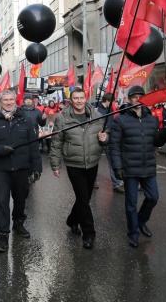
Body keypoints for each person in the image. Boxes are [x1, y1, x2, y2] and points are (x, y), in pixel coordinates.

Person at [0, 89, 42, 253]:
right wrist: (1, 150)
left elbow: (34, 146)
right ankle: (2, 235)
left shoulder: (25, 120)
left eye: (11, 100)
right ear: (0, 102)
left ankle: (18, 223)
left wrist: (37, 167)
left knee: (21, 199)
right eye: (5, 100)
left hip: (22, 168)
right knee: (1, 202)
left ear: (15, 101)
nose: (8, 102)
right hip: (2, 170)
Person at [109, 85, 166, 248]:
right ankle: (133, 233)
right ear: (129, 99)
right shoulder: (120, 120)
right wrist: (117, 167)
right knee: (131, 203)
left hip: (148, 166)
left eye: (140, 97)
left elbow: (155, 141)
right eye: (134, 97)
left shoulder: (151, 119)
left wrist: (164, 135)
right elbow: (114, 145)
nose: (138, 100)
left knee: (153, 197)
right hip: (129, 167)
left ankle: (140, 221)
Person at [50, 87, 109, 249]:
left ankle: (72, 220)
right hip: (73, 164)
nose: (79, 101)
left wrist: (105, 138)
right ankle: (89, 233)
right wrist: (56, 165)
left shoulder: (97, 116)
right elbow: (56, 143)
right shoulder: (62, 118)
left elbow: (106, 136)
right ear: (71, 100)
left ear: (85, 98)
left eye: (81, 98)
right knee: (83, 198)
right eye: (75, 98)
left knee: (85, 198)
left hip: (92, 162)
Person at [94, 92, 124, 193]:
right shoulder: (96, 109)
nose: (114, 103)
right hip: (98, 138)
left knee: (112, 161)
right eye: (113, 101)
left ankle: (116, 183)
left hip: (109, 138)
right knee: (94, 161)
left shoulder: (110, 110)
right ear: (107, 101)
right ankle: (93, 180)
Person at [20, 93, 47, 168]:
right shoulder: (19, 110)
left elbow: (41, 124)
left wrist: (43, 119)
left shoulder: (37, 111)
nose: (28, 101)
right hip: (22, 136)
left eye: (29, 99)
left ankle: (35, 169)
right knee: (23, 153)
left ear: (32, 101)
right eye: (26, 100)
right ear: (24, 101)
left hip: (34, 136)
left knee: (34, 153)